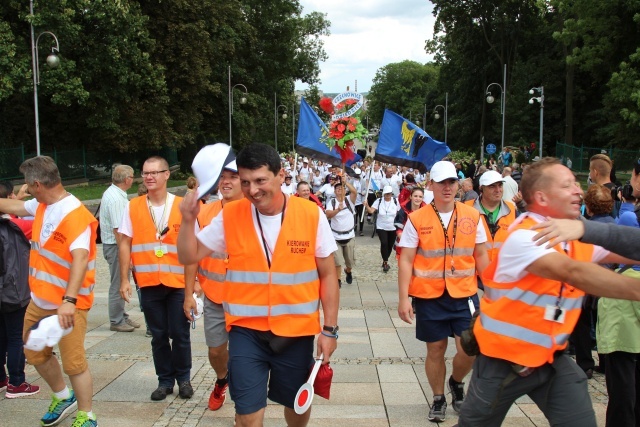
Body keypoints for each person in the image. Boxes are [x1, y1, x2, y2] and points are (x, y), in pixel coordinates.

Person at [458, 157, 640, 426]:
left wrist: (587, 229)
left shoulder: (571, 237)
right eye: (567, 185)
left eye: (576, 184)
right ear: (542, 197)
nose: (578, 190)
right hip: (502, 361)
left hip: (549, 358)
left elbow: (627, 248)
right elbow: (573, 272)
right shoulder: (525, 236)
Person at [177, 143, 339, 427]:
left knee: (297, 404)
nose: (253, 190)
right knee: (248, 415)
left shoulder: (310, 215)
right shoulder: (230, 215)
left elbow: (328, 274)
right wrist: (188, 220)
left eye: (261, 180)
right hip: (246, 331)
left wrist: (330, 330)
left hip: (296, 331)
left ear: (281, 175)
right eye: (246, 182)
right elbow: (189, 255)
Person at [0, 156, 98, 426]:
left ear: (37, 184)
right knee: (34, 352)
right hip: (40, 300)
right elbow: (13, 206)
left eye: (28, 186)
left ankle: (87, 415)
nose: (26, 190)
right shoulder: (42, 204)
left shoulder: (75, 214)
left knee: (74, 363)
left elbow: (80, 258)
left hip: (69, 303)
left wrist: (69, 300)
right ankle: (63, 396)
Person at [397, 160, 489, 423]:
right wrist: (404, 298)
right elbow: (406, 260)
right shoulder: (417, 219)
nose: (447, 188)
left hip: (464, 293)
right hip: (429, 295)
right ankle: (438, 398)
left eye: (451, 182)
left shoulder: (473, 216)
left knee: (470, 347)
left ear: (458, 184)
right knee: (435, 349)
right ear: (431, 186)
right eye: (442, 183)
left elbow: (481, 255)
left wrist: (493, 291)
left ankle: (456, 381)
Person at [118, 156, 195, 401]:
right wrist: (124, 279)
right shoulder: (133, 206)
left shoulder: (183, 205)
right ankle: (164, 380)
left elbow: (194, 247)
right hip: (149, 282)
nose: (149, 177)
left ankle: (183, 379)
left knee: (180, 334)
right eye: (145, 173)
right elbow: (125, 244)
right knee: (159, 335)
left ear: (166, 175)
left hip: (177, 283)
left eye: (155, 172)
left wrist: (194, 287)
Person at [184, 156, 243, 412]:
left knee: (245, 356)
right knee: (216, 352)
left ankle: (245, 402)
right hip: (215, 296)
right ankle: (222, 379)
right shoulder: (204, 212)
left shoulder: (256, 212)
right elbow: (191, 256)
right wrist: (188, 293)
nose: (226, 182)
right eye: (222, 177)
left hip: (247, 299)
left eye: (233, 177)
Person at [0, 185, 40, 399]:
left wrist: (20, 199)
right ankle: (17, 383)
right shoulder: (16, 225)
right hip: (12, 290)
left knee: (1, 335)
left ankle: (1, 379)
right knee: (17, 337)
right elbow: (41, 225)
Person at [99, 165, 141, 333]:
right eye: (132, 176)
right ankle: (116, 319)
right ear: (127, 179)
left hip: (115, 245)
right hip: (116, 246)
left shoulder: (114, 194)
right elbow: (119, 231)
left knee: (120, 280)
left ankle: (121, 315)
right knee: (119, 281)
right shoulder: (116, 199)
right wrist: (127, 255)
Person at [466, 170, 516, 263]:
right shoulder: (466, 209)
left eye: (500, 185)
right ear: (481, 189)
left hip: (502, 272)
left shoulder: (512, 209)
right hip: (476, 272)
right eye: (492, 186)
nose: (498, 190)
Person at [325, 176, 357, 287]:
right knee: (337, 261)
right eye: (337, 189)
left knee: (350, 262)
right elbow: (328, 215)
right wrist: (338, 209)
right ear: (334, 191)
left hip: (349, 235)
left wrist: (346, 182)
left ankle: (348, 271)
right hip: (335, 236)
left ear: (344, 190)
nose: (339, 190)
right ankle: (338, 280)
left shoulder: (349, 200)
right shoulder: (332, 202)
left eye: (341, 188)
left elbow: (354, 191)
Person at [364, 185, 401, 273]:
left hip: (392, 227)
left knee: (390, 245)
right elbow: (371, 211)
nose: (388, 196)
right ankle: (385, 262)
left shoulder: (395, 201)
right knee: (384, 243)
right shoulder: (379, 201)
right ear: (383, 194)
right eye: (386, 194)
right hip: (381, 226)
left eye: (389, 194)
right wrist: (366, 205)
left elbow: (399, 212)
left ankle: (385, 258)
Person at [394, 187, 426, 260]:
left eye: (420, 197)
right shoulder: (403, 210)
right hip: (405, 244)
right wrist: (408, 243)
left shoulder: (426, 211)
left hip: (421, 245)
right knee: (405, 269)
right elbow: (398, 228)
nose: (418, 198)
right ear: (411, 197)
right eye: (415, 196)